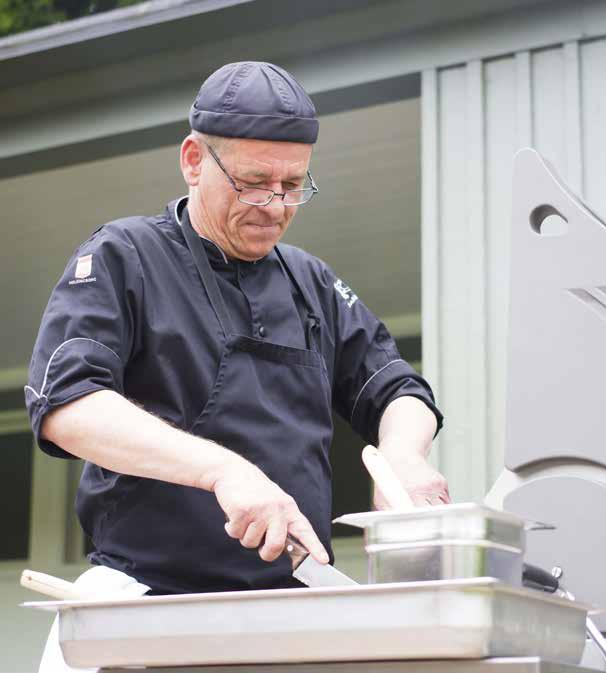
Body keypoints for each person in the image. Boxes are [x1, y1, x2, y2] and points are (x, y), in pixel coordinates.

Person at [24, 61, 448, 595]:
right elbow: (68, 405)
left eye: (293, 185)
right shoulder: (124, 256)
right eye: (253, 184)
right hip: (146, 598)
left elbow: (397, 389)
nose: (275, 207)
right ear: (194, 160)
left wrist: (402, 457)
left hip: (294, 598)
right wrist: (224, 471)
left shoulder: (310, 282)